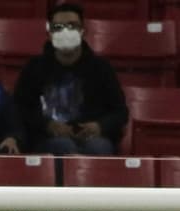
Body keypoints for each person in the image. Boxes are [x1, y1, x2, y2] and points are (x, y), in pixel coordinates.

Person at [14, 3, 128, 156]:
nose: (66, 32)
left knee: (98, 147)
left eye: (72, 26)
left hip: (93, 139)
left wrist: (99, 126)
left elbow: (120, 112)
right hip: (48, 139)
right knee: (63, 146)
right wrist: (48, 125)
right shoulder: (34, 68)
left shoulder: (101, 68)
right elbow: (19, 108)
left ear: (83, 31)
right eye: (58, 27)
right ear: (49, 33)